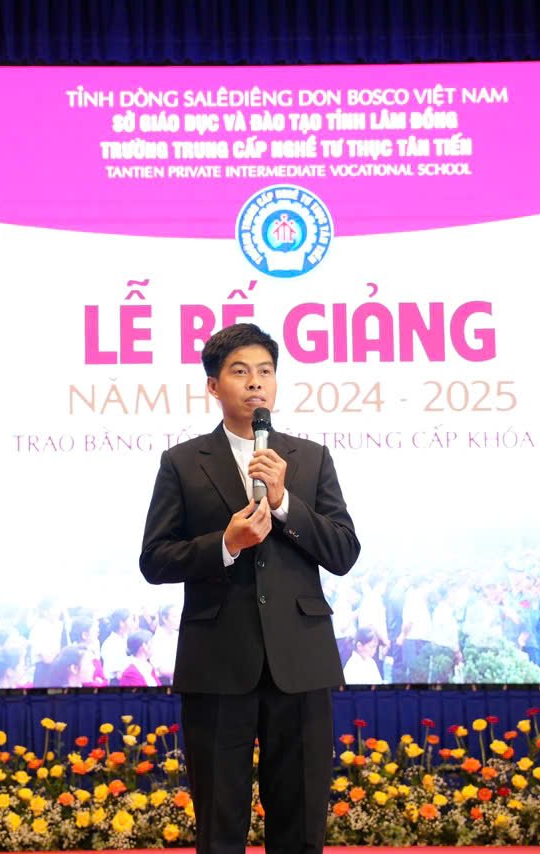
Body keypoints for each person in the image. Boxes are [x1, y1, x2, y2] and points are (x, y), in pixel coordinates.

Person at [139, 322, 360, 854]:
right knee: (220, 823)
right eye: (240, 371)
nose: (255, 382)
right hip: (218, 661)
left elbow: (343, 552)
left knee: (300, 825)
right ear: (214, 386)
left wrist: (285, 504)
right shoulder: (183, 462)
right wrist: (225, 543)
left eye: (265, 371)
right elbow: (155, 559)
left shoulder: (309, 459)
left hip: (300, 661)